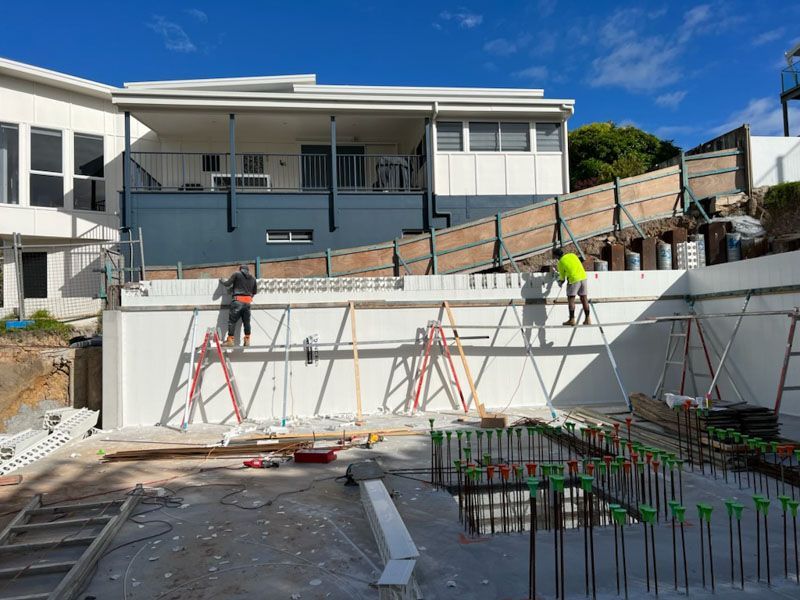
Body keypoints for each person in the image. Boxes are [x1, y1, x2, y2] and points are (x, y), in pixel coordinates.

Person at [219, 265, 257, 346]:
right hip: (247, 303)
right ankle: (247, 340)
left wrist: (222, 280)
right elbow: (254, 292)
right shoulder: (253, 278)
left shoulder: (237, 274)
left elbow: (227, 284)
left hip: (237, 302)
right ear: (247, 270)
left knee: (232, 321)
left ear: (241, 269)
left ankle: (230, 340)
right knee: (247, 322)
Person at [553, 248, 590, 326]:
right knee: (584, 298)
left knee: (571, 299)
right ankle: (588, 319)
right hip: (583, 277)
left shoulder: (560, 263)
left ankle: (572, 319)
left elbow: (562, 279)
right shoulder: (573, 255)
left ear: (556, 256)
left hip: (573, 280)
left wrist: (559, 282)